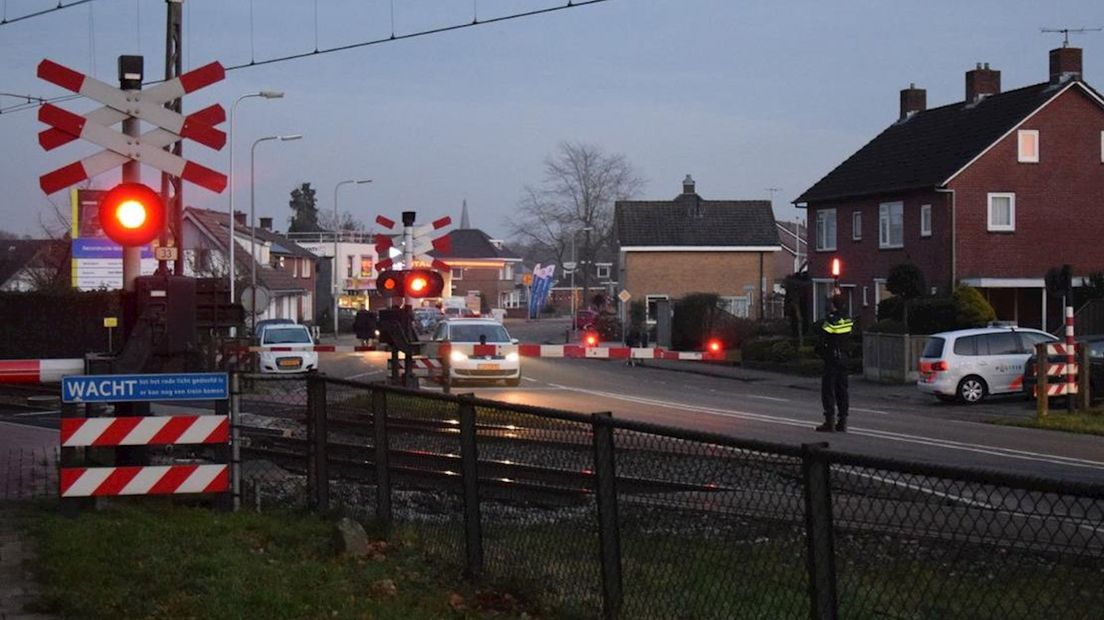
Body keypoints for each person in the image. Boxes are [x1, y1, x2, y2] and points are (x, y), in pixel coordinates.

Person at [816, 295, 853, 432]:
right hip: (844, 357)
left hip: (832, 358)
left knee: (828, 389)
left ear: (834, 305)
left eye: (830, 303)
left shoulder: (831, 320)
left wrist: (821, 352)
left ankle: (829, 421)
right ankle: (842, 421)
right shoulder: (848, 320)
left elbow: (823, 337)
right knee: (842, 390)